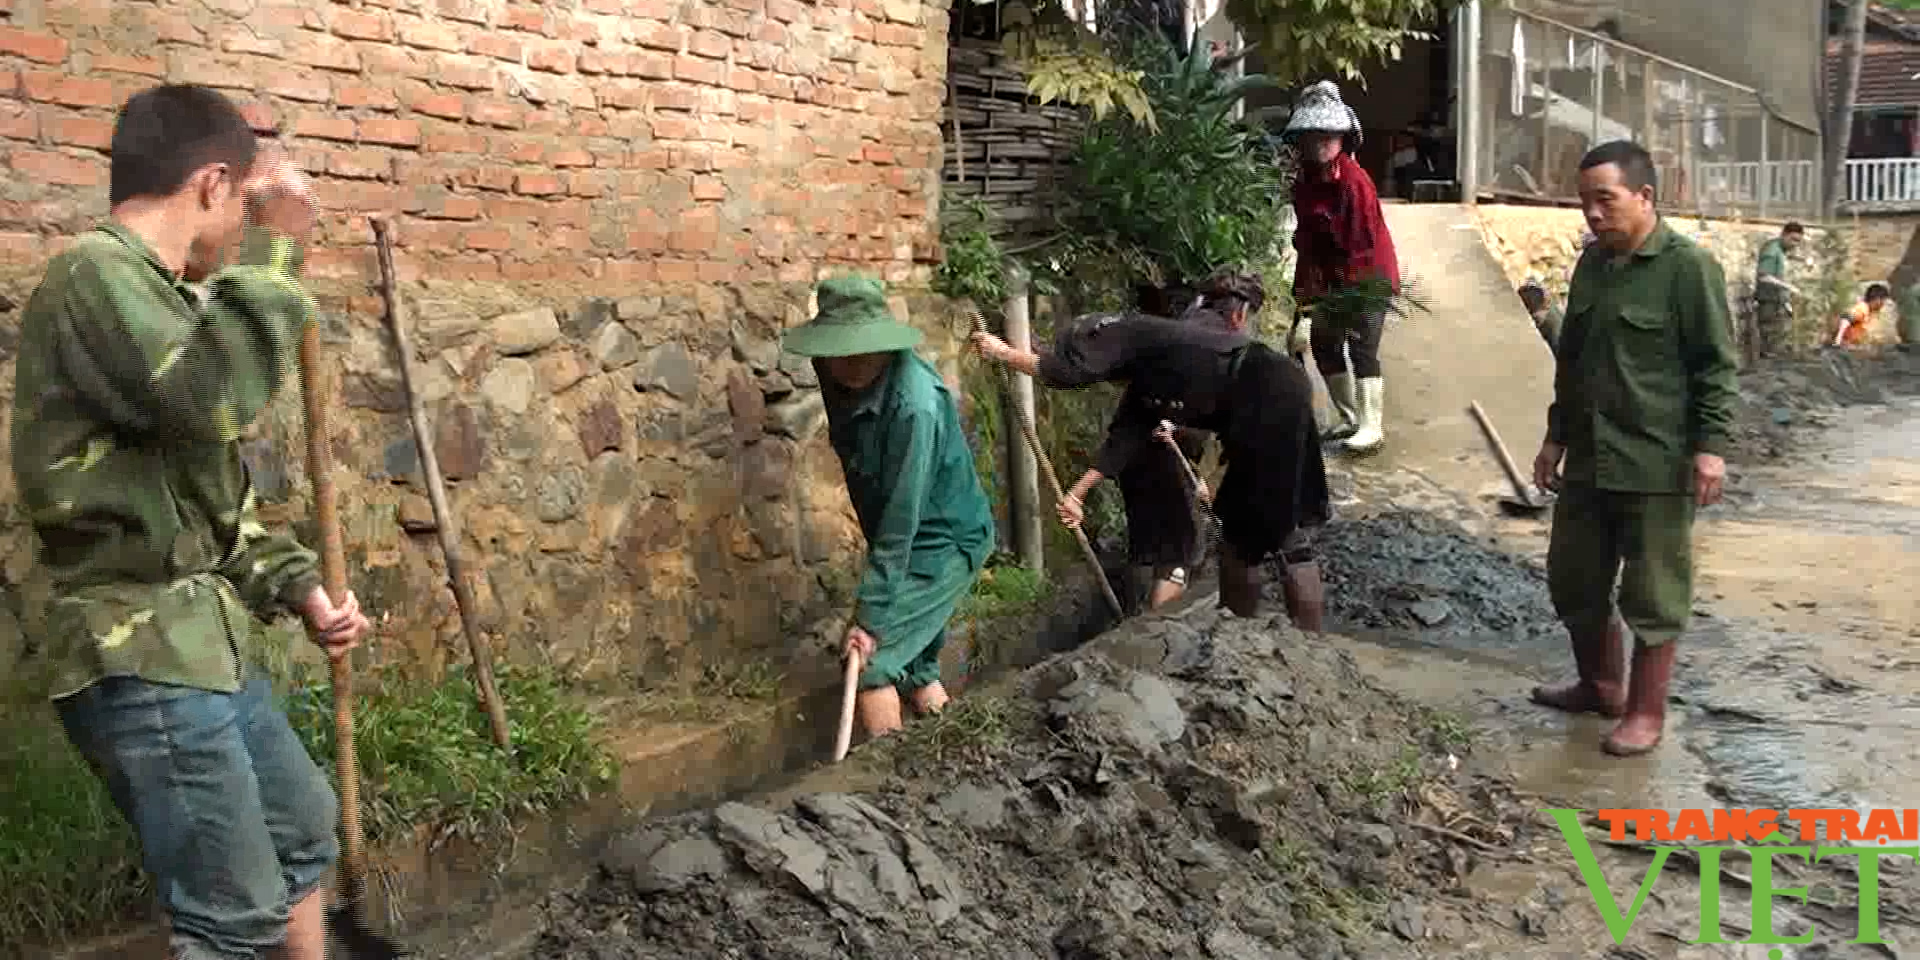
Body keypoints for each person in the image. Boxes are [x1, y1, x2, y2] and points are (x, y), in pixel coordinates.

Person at [9, 84, 373, 960]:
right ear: (214, 184)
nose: (243, 238)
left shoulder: (168, 303)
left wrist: (299, 588)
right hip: (136, 648)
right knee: (230, 910)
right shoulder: (92, 276)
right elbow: (210, 399)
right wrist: (282, 250)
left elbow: (209, 496)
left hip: (201, 643)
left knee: (302, 832)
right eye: (242, 214)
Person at [971, 273, 1332, 630]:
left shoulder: (1127, 335)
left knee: (1270, 536)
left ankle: (1276, 635)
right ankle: (1239, 631)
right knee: (1245, 534)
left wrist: (1002, 352)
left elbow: (1064, 373)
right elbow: (1124, 438)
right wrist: (1078, 494)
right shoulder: (1156, 368)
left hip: (1269, 398)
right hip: (1275, 392)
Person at [1529, 140, 1738, 757]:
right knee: (1574, 578)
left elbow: (1717, 366)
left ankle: (1646, 713)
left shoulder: (1688, 268)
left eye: (1606, 200)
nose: (1593, 214)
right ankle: (1601, 687)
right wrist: (1554, 436)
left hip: (1657, 461)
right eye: (1584, 203)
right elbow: (1572, 361)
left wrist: (1711, 447)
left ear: (1644, 197)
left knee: (1653, 594)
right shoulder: (1593, 265)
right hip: (1592, 457)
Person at [782, 274, 995, 740]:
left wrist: (871, 619)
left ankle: (892, 791)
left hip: (943, 541)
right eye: (842, 350)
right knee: (916, 668)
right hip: (904, 534)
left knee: (872, 665)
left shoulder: (914, 407)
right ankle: (953, 759)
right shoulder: (830, 368)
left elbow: (902, 521)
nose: (851, 364)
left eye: (862, 350)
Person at [1285, 80, 1401, 455]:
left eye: (1330, 135)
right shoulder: (1304, 181)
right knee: (1321, 340)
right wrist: (1305, 302)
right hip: (1330, 275)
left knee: (1362, 345)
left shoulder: (1354, 183)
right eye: (1314, 134)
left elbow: (1361, 247)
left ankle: (1372, 427)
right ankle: (1349, 417)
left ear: (1342, 137)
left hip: (1368, 275)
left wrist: (1347, 300)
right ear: (1301, 139)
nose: (1322, 142)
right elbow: (1307, 244)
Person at [1753, 221, 1805, 358]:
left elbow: (1788, 257)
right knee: (1770, 343)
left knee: (1779, 340)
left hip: (1778, 301)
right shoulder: (1771, 250)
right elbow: (1763, 276)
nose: (1795, 244)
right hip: (1768, 302)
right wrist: (1789, 287)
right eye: (1793, 239)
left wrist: (1803, 260)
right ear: (1784, 235)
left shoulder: (1781, 250)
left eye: (1798, 241)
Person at [1834, 281, 1890, 348]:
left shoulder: (1870, 311)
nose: (1883, 304)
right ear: (1878, 299)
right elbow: (1846, 317)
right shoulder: (1863, 309)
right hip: (1843, 347)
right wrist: (1838, 339)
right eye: (1884, 300)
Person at [1517, 276, 1562, 355]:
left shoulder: (1555, 331)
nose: (1534, 323)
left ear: (1545, 306)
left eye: (1535, 320)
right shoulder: (1538, 297)